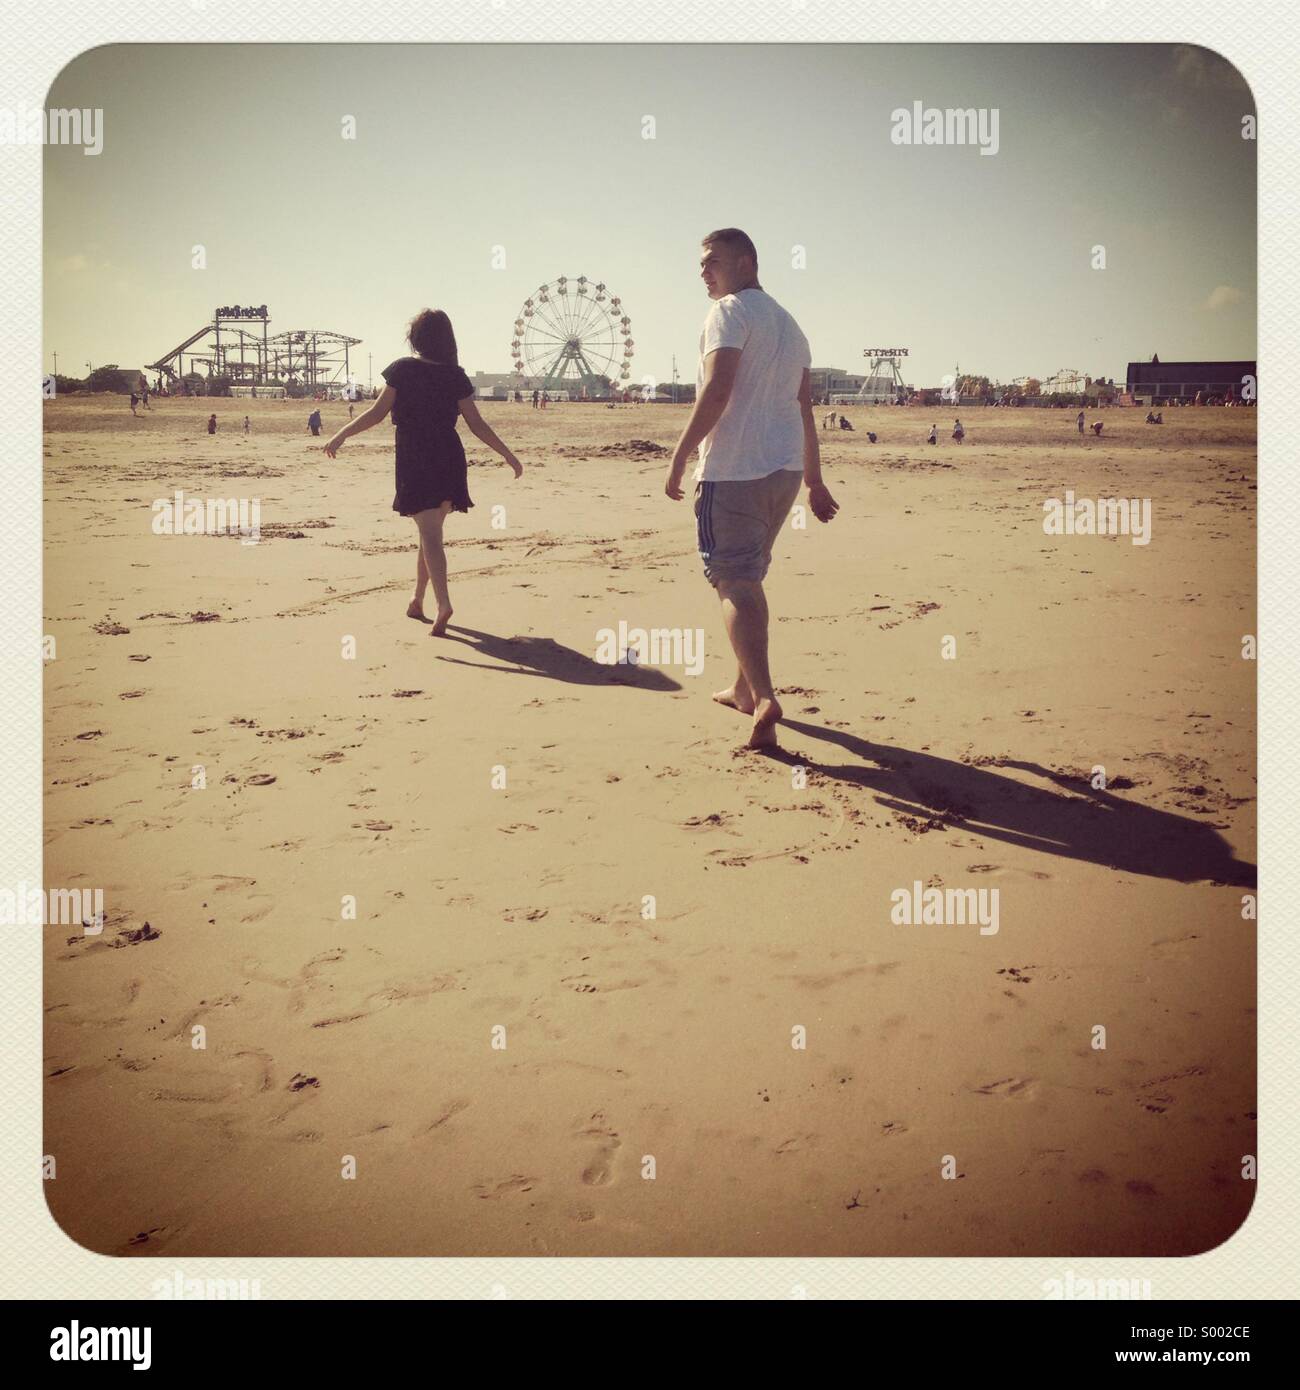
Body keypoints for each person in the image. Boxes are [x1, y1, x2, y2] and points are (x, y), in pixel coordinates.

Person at [664, 227, 838, 751]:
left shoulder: (729, 311)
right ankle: (742, 688)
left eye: (712, 261)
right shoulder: (790, 324)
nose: (703, 272)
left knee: (735, 581)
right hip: (782, 469)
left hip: (734, 468)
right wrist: (813, 478)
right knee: (750, 574)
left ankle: (763, 697)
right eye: (701, 264)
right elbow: (803, 408)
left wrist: (679, 455)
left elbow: (718, 388)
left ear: (746, 262)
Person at [324, 308, 522, 636]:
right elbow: (477, 425)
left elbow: (376, 413)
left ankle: (443, 603)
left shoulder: (402, 370)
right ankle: (417, 600)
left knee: (430, 534)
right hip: (449, 455)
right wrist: (508, 455)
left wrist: (342, 434)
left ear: (416, 338)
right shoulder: (455, 376)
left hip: (416, 456)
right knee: (430, 532)